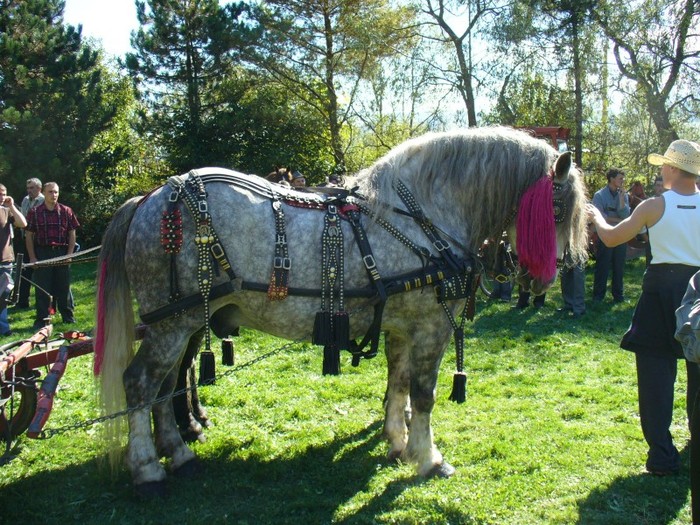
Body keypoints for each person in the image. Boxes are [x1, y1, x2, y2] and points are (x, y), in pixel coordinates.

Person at [588, 138, 700, 477]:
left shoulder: (654, 206)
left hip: (661, 293)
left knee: (655, 379)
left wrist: (594, 215)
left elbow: (611, 238)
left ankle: (663, 458)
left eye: (664, 165)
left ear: (672, 168)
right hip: (698, 290)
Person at [25, 182, 80, 328]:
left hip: (61, 253)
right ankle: (42, 319)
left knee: (64, 287)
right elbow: (29, 236)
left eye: (56, 192)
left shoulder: (66, 211)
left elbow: (72, 234)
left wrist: (69, 255)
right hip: (42, 252)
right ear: (44, 193)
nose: (53, 195)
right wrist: (32, 257)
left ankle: (68, 318)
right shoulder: (35, 212)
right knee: (43, 288)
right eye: (50, 192)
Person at [592, 168, 630, 302]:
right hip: (605, 234)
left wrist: (621, 200)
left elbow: (626, 215)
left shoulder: (623, 195)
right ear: (612, 179)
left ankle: (618, 295)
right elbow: (601, 218)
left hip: (620, 234)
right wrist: (619, 220)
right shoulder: (599, 195)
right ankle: (598, 296)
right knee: (603, 265)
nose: (622, 181)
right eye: (620, 178)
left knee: (619, 266)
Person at [0, 185, 27, 336]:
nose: (2, 197)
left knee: (3, 296)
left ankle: (3, 329)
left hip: (5, 261)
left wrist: (12, 206)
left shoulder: (6, 211)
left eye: (4, 194)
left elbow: (23, 223)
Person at [15, 178, 44, 308]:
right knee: (24, 271)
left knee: (40, 273)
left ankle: (43, 303)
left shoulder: (44, 200)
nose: (29, 191)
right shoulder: (26, 200)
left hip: (39, 241)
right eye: (28, 188)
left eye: (32, 188)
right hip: (24, 239)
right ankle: (22, 302)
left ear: (39, 188)